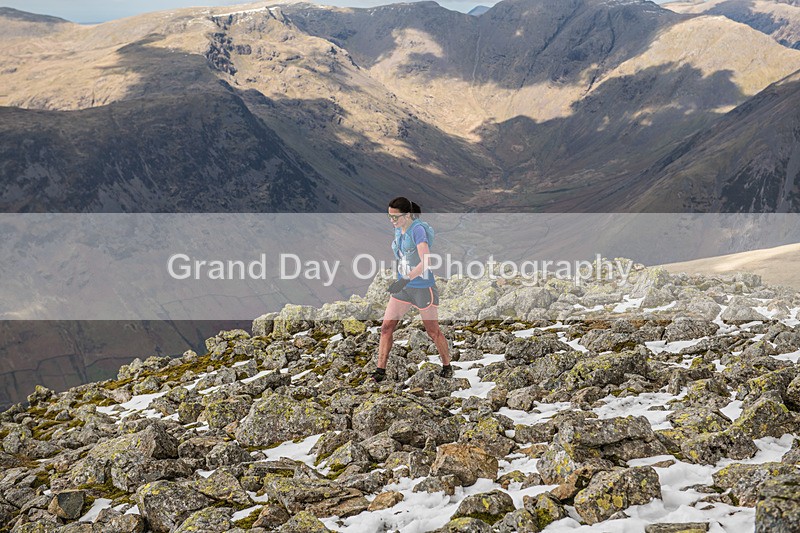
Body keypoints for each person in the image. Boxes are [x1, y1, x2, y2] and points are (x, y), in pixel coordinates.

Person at [372, 197, 452, 382]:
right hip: (404, 288)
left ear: (407, 215)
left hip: (423, 288)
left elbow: (426, 262)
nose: (392, 221)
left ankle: (447, 365)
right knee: (386, 328)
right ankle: (380, 371)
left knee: (433, 332)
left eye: (396, 217)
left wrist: (405, 279)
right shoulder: (399, 230)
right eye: (389, 217)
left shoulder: (418, 230)